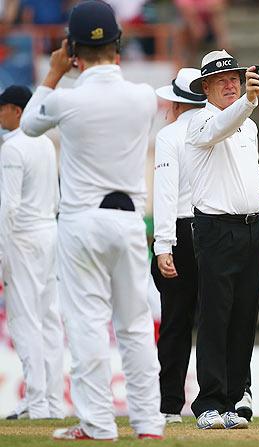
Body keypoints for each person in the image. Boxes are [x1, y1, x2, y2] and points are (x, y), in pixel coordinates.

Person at [20, 0, 164, 440]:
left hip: (81, 222)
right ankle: (148, 424)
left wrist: (53, 72)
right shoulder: (143, 97)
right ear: (118, 46)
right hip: (128, 222)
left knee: (86, 326)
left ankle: (99, 424)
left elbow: (26, 125)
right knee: (136, 326)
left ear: (72, 49)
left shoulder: (65, 98)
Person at [185, 49, 259, 430]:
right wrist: (250, 100)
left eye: (235, 79)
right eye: (222, 80)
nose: (230, 85)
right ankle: (208, 402)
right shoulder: (199, 122)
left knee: (243, 317)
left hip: (251, 228)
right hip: (215, 231)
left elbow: (251, 167)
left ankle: (234, 399)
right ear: (205, 86)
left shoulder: (248, 123)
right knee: (215, 317)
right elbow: (221, 127)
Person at [0, 85, 64, 420]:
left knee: (25, 320)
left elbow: (8, 207)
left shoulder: (12, 148)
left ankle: (37, 401)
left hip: (22, 237)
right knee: (49, 318)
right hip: (48, 231)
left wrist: (1, 253)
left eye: (2, 109)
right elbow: (55, 197)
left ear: (15, 109)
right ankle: (51, 402)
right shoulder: (44, 142)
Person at [152, 67, 205, 424]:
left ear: (176, 103)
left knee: (175, 321)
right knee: (219, 320)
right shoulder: (220, 127)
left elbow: (165, 192)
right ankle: (223, 399)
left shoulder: (169, 134)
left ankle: (171, 405)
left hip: (181, 230)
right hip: (217, 228)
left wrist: (162, 244)